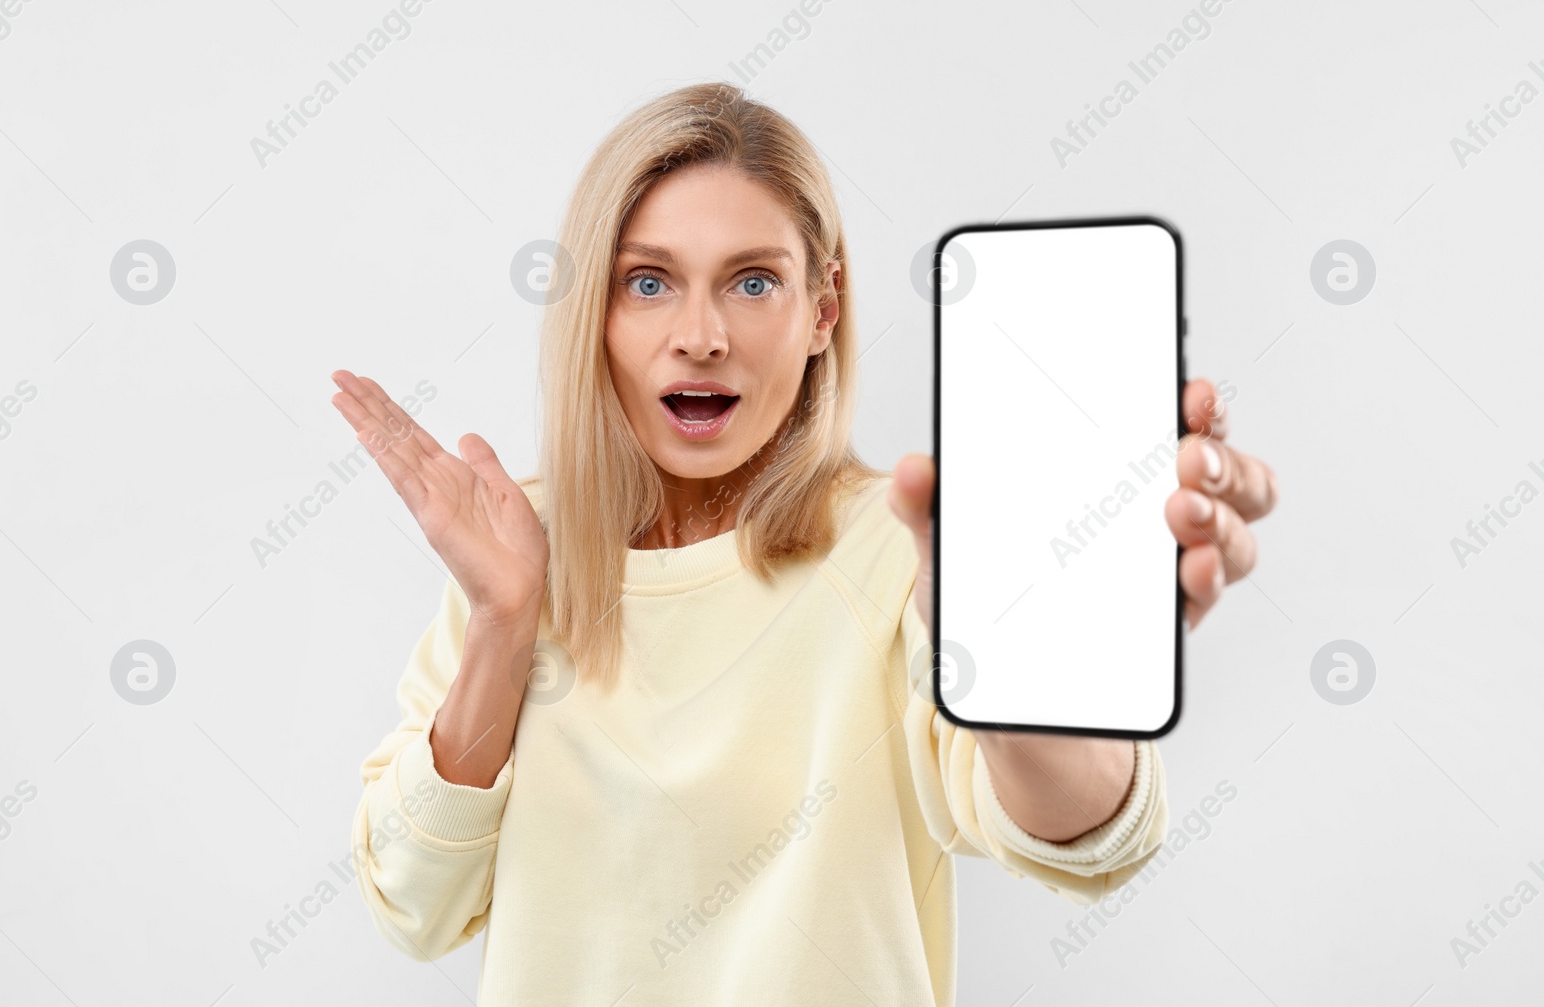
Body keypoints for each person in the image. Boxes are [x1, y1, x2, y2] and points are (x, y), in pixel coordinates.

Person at [330, 82, 1277, 1005]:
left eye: (752, 281)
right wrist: (502, 620)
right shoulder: (512, 543)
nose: (699, 336)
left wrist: (1010, 666)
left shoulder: (907, 546)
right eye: (649, 281)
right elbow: (413, 905)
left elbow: (1092, 842)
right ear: (595, 311)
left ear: (822, 308)